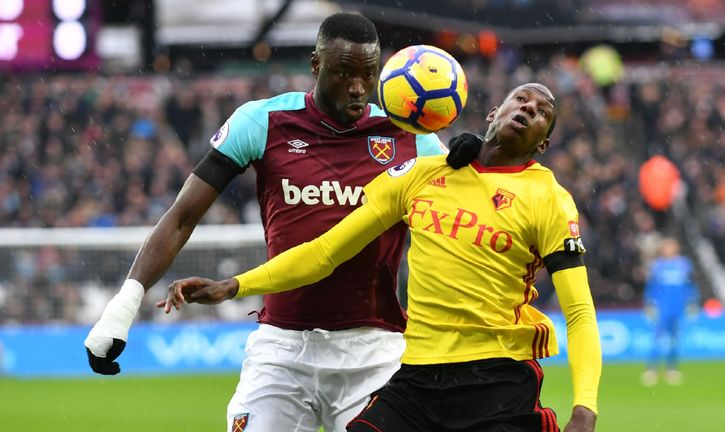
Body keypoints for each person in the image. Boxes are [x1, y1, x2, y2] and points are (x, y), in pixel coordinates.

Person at [84, 13, 479, 432]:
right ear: (315, 65)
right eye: (344, 72)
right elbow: (181, 217)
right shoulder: (262, 121)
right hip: (282, 349)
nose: (358, 87)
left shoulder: (412, 139)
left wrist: (477, 162)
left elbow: (471, 222)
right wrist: (122, 307)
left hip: (375, 350)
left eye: (367, 73)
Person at [161, 83, 602, 432]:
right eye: (519, 99)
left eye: (542, 112)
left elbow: (579, 312)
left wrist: (585, 409)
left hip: (497, 380)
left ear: (543, 143)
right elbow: (323, 253)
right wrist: (235, 285)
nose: (528, 109)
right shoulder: (421, 175)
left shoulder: (550, 200)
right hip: (417, 377)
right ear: (493, 113)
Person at [641, 237, 699, 386]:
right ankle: (651, 369)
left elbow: (690, 285)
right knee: (657, 338)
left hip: (678, 308)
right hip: (662, 308)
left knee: (674, 340)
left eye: (671, 246)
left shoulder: (684, 265)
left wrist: (692, 302)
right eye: (666, 246)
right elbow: (651, 287)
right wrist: (649, 304)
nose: (668, 249)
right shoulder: (658, 265)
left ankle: (671, 369)